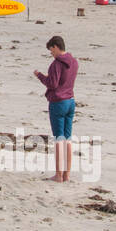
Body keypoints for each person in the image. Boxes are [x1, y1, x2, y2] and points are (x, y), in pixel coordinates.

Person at [33, 35, 78, 182]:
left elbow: (52, 84)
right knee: (68, 138)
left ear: (56, 47)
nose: (51, 53)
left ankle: (59, 175)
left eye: (51, 50)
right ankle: (67, 174)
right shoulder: (74, 62)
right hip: (70, 101)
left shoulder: (56, 64)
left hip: (59, 102)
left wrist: (39, 76)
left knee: (59, 139)